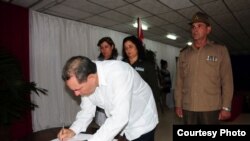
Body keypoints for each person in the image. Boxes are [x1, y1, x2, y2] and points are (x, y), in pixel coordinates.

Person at [57, 56, 158, 141]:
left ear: (91, 78)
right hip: (121, 122)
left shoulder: (119, 73)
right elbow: (87, 111)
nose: (76, 94)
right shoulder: (86, 76)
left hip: (142, 119)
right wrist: (73, 130)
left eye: (77, 89)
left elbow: (119, 118)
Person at [174, 11, 234, 124]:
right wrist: (178, 104)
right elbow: (179, 82)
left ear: (208, 29)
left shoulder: (220, 50)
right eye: (193, 27)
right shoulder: (184, 53)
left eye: (199, 26)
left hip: (210, 107)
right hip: (189, 107)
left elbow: (227, 80)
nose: (195, 29)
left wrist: (226, 107)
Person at [122, 35, 162, 113]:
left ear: (137, 47)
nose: (128, 50)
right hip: (126, 104)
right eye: (126, 48)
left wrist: (153, 106)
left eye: (131, 46)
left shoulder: (147, 65)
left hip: (143, 105)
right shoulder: (122, 65)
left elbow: (154, 87)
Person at [95, 37, 122, 127]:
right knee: (103, 127)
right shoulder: (98, 62)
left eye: (106, 47)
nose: (104, 50)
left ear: (112, 46)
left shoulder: (120, 61)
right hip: (103, 99)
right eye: (101, 48)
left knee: (117, 126)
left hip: (116, 97)